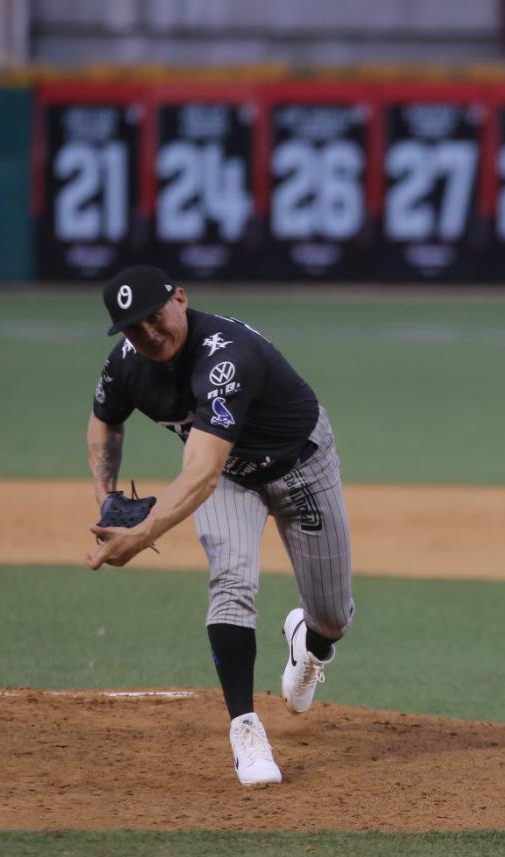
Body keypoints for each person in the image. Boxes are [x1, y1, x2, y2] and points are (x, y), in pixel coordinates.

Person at [84, 265, 354, 787]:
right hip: (230, 476)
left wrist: (140, 536)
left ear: (180, 299)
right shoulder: (126, 364)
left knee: (333, 617)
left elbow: (201, 474)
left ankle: (310, 642)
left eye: (155, 318)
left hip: (299, 464)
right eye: (134, 328)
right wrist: (106, 499)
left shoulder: (225, 356)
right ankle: (245, 729)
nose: (148, 334)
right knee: (231, 582)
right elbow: (105, 417)